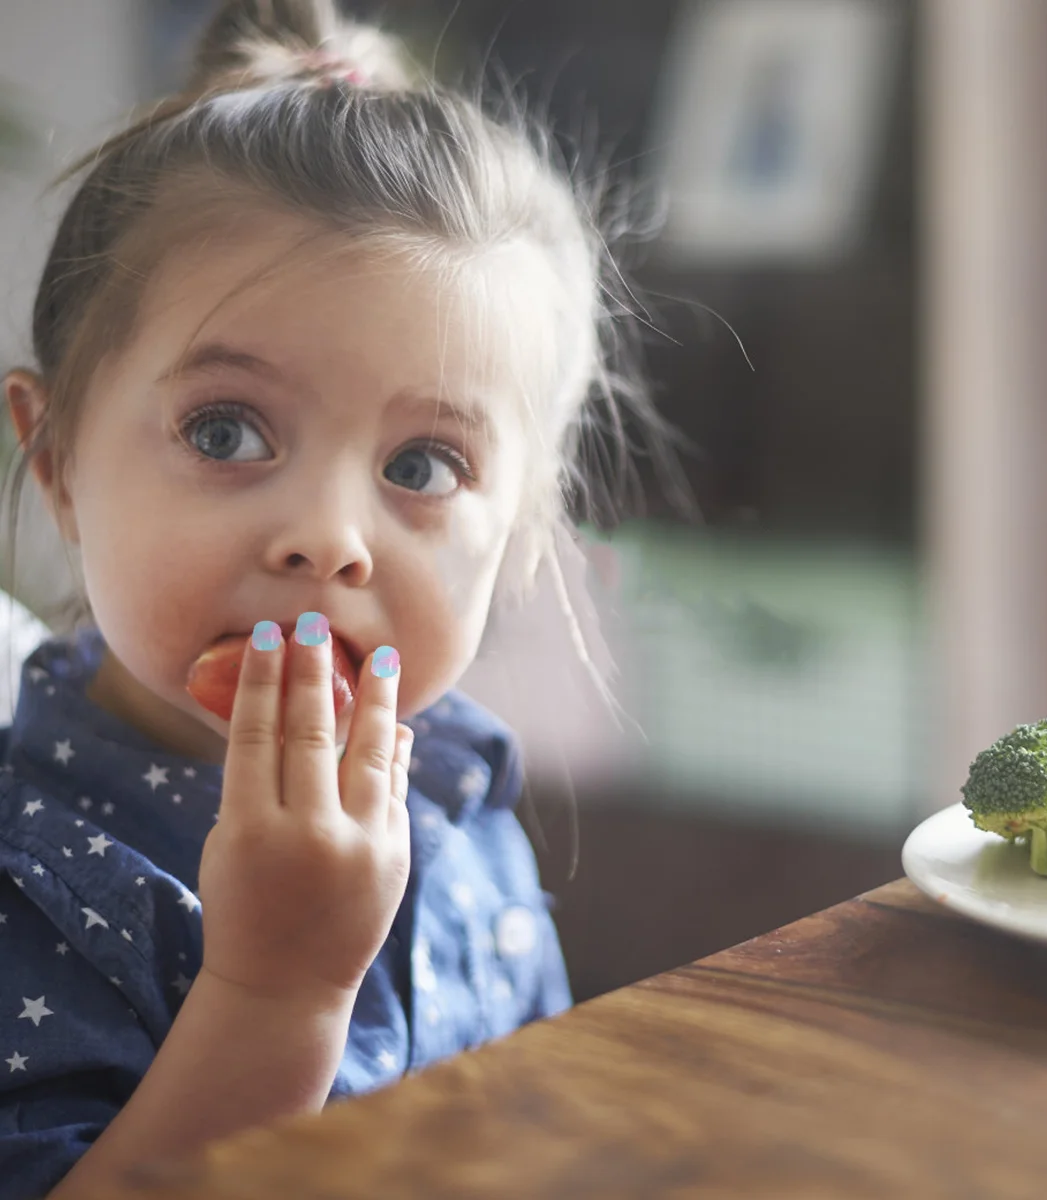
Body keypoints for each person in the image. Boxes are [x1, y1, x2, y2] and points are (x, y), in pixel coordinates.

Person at [0, 1, 671, 1194]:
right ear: (54, 461)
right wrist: (276, 993)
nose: (327, 540)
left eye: (422, 466)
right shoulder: (30, 876)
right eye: (226, 430)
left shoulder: (462, 802)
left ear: (518, 538)